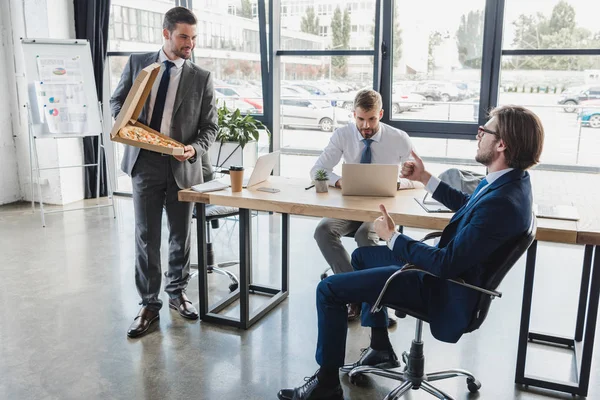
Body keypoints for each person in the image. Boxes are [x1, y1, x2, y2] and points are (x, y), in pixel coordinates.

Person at [278, 105, 544, 400]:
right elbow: (468, 205)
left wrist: (393, 238)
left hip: (443, 287)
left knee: (328, 290)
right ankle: (380, 347)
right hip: (447, 273)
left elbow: (444, 264)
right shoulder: (509, 182)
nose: (478, 135)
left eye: (485, 131)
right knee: (362, 257)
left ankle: (327, 385)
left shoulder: (502, 203)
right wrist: (424, 177)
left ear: (502, 144)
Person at [110, 7, 218, 338]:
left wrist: (194, 150)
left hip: (181, 165)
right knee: (146, 236)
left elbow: (210, 127)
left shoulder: (201, 77)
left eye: (194, 38)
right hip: (144, 163)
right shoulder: (137, 64)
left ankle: (177, 293)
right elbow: (117, 105)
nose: (190, 44)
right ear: (166, 34)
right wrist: (132, 129)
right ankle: (148, 304)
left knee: (180, 236)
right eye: (184, 36)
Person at [310, 89, 413, 322]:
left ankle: (369, 301)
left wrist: (397, 182)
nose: (366, 125)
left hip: (380, 209)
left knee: (367, 234)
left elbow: (418, 176)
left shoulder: (398, 138)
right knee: (323, 230)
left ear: (381, 114)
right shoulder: (342, 135)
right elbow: (318, 170)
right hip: (350, 205)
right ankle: (354, 293)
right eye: (360, 119)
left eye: (372, 119)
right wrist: (338, 180)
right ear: (353, 114)